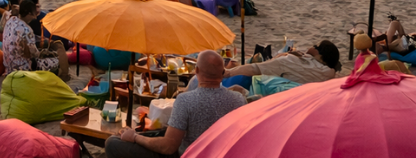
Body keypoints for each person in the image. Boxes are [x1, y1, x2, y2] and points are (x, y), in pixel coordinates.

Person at [105, 50, 244, 158]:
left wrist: (135, 137)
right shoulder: (239, 100)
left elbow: (168, 147)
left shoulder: (185, 100)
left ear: (196, 71)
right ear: (223, 73)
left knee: (113, 143)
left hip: (187, 154)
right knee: (161, 131)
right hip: (223, 153)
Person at [1, 0, 67, 78]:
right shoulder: (27, 29)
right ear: (29, 14)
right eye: (34, 14)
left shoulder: (11, 20)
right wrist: (44, 52)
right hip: (22, 69)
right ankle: (64, 76)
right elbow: (34, 54)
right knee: (56, 61)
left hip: (9, 67)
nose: (35, 17)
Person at [223, 40, 340, 84]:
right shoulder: (329, 73)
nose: (312, 46)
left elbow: (255, 68)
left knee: (241, 65)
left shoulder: (291, 61)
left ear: (319, 54)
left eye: (315, 45)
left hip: (270, 89)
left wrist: (228, 73)